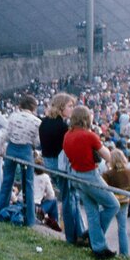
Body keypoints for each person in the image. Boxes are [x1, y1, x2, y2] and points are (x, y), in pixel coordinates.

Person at [63, 104, 118, 260]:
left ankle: (98, 247)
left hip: (76, 175)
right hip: (89, 175)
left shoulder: (67, 135)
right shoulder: (89, 135)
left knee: (92, 212)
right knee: (113, 205)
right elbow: (108, 156)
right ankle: (94, 237)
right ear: (86, 118)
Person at [39, 92, 84, 244]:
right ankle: (73, 235)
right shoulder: (62, 126)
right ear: (61, 107)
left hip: (49, 163)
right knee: (69, 199)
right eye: (70, 106)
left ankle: (78, 231)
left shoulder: (44, 122)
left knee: (70, 198)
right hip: (60, 165)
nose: (72, 109)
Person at [0, 94, 41, 225]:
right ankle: (30, 219)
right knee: (28, 184)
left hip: (11, 148)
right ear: (33, 107)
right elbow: (37, 141)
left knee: (7, 182)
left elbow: (5, 134)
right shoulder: (37, 121)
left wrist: (0, 149)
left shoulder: (13, 116)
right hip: (26, 151)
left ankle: (0, 214)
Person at [102, 148, 130, 255]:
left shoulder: (108, 173)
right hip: (125, 201)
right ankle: (124, 254)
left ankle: (100, 247)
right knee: (122, 229)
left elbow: (102, 187)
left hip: (111, 202)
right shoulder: (128, 171)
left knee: (103, 225)